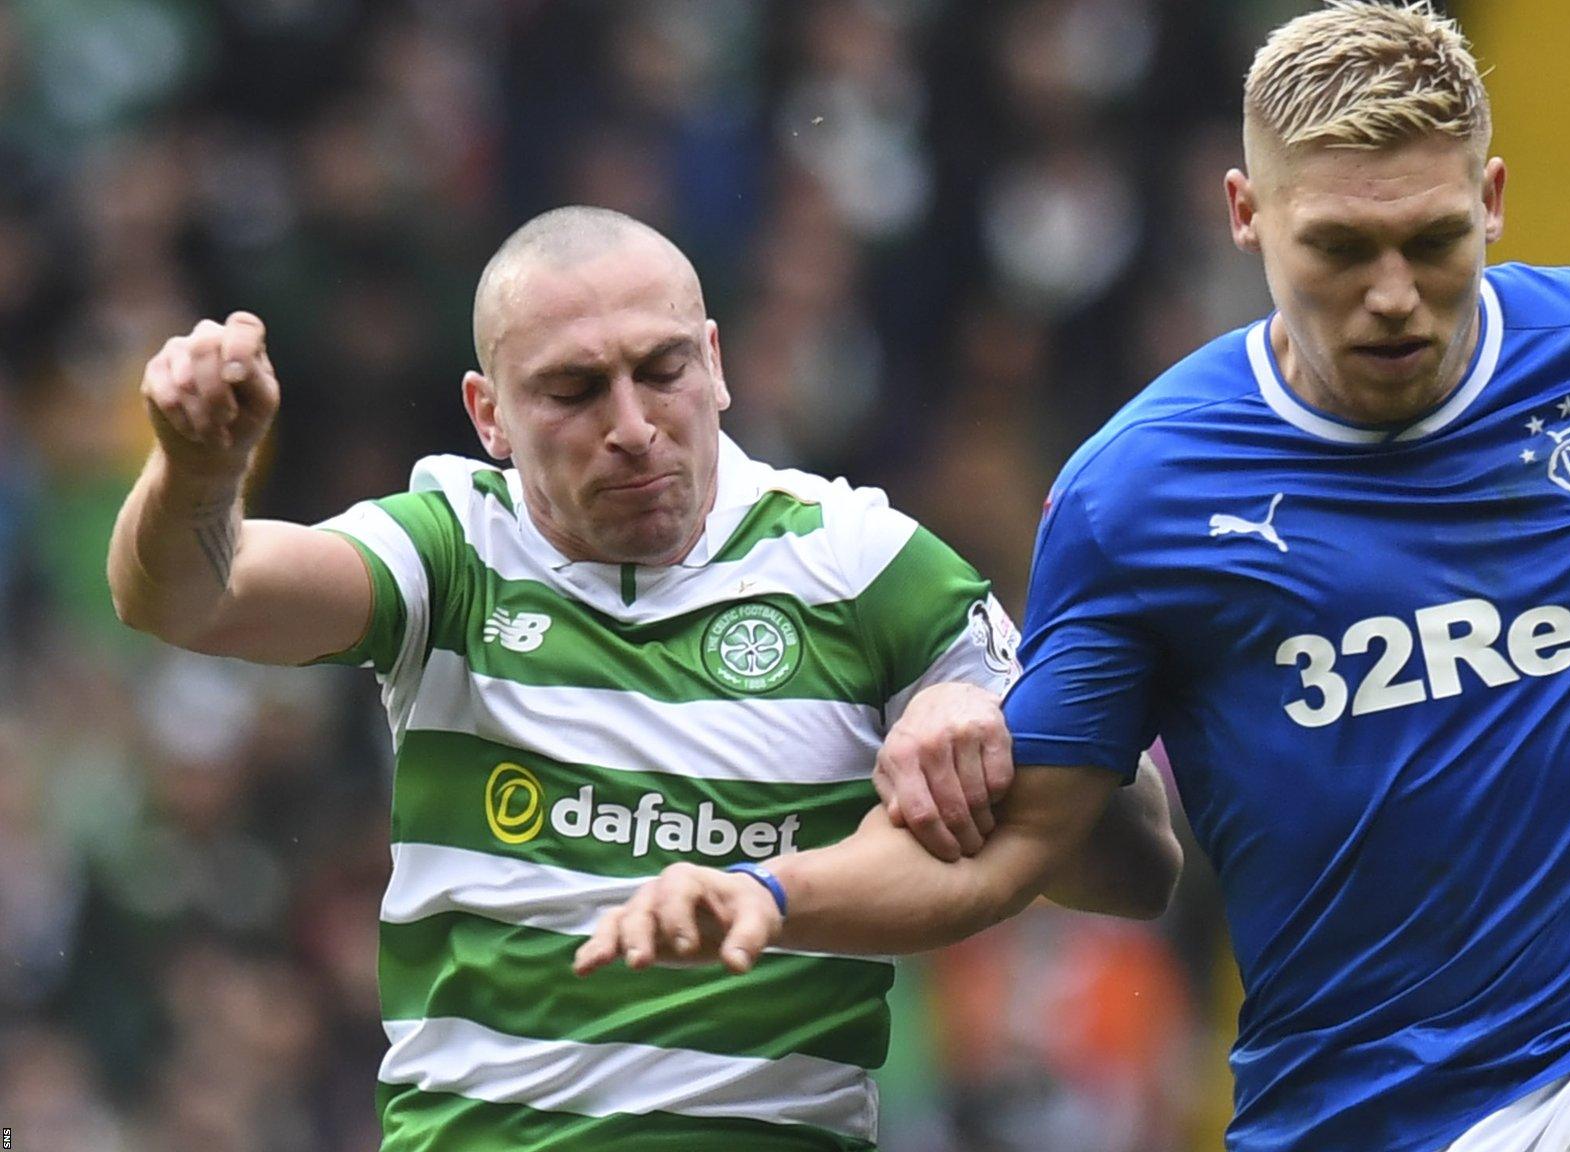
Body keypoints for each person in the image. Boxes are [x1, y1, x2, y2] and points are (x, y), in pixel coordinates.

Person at [575, 5, 1570, 1151]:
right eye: (1340, 248)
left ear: (1495, 200)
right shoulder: (1141, 494)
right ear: (1244, 216)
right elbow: (1030, 841)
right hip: (1349, 1098)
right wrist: (776, 889)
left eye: (1433, 240)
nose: (1394, 294)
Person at [106, 205, 1181, 1152]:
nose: (629, 427)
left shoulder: (860, 564)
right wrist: (197, 470)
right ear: (488, 415)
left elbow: (1135, 868)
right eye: (572, 389)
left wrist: (984, 720)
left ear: (716, 362)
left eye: (661, 370)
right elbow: (188, 598)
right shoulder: (449, 551)